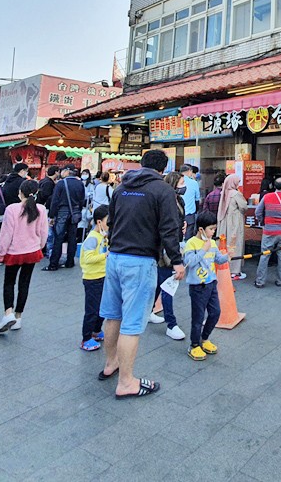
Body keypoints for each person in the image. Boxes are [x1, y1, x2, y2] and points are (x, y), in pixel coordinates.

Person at [100, 149, 185, 398]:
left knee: (113, 316)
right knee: (133, 323)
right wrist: (177, 261)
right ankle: (126, 382)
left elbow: (111, 222)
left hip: (114, 258)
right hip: (140, 261)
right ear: (163, 168)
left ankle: (110, 364)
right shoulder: (163, 190)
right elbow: (169, 229)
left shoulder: (121, 188)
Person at [0, 179, 48, 334]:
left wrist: (0, 254)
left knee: (9, 282)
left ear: (20, 193)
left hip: (14, 252)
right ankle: (18, 317)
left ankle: (8, 313)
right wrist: (40, 247)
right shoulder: (41, 209)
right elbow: (44, 232)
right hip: (32, 251)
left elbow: (6, 234)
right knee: (25, 283)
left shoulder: (12, 209)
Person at [184, 210, 228, 361]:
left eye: (214, 228)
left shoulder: (213, 243)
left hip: (211, 283)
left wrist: (227, 255)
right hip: (197, 286)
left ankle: (205, 338)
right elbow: (189, 262)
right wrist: (204, 249)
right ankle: (194, 344)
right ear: (201, 229)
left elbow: (219, 260)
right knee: (198, 317)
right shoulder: (191, 243)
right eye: (211, 229)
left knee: (215, 312)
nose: (213, 232)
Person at [148, 172, 186, 340]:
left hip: (173, 245)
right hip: (166, 249)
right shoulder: (165, 200)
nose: (185, 185)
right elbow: (165, 227)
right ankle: (171, 324)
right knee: (168, 285)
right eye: (182, 182)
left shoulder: (179, 200)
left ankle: (148, 311)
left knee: (160, 283)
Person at [254, 177, 281, 288]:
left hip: (269, 231)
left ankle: (260, 281)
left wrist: (263, 221)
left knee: (264, 255)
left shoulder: (267, 197)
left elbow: (257, 212)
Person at [79, 206, 109, 351]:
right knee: (92, 309)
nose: (109, 225)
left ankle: (96, 331)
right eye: (107, 222)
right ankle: (86, 338)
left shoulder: (102, 236)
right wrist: (105, 255)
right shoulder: (92, 238)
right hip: (92, 278)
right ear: (99, 222)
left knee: (101, 307)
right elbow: (87, 258)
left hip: (102, 276)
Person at [46, 164, 85, 270]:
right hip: (75, 212)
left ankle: (53, 263)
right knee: (72, 238)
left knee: (58, 237)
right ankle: (70, 262)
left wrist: (52, 216)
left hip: (62, 212)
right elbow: (82, 200)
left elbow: (55, 201)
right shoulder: (80, 184)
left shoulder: (61, 183)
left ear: (67, 172)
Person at [217, 174, 247, 281]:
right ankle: (235, 271)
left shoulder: (224, 192)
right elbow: (244, 206)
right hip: (234, 222)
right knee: (235, 245)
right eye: (237, 182)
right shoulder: (235, 194)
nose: (238, 184)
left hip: (224, 222)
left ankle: (224, 267)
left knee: (225, 245)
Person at [180, 164, 201, 239]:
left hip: (177, 213)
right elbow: (197, 199)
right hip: (189, 214)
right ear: (190, 171)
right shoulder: (194, 183)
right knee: (188, 237)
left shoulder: (176, 180)